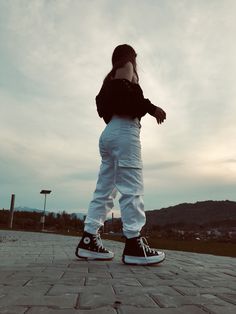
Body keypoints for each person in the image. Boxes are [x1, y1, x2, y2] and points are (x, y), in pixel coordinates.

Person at [75, 44, 166, 265]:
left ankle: (89, 239)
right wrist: (152, 109)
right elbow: (123, 94)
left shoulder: (109, 78)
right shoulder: (127, 68)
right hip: (125, 132)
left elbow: (101, 103)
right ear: (130, 57)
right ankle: (134, 243)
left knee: (106, 188)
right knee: (132, 187)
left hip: (109, 134)